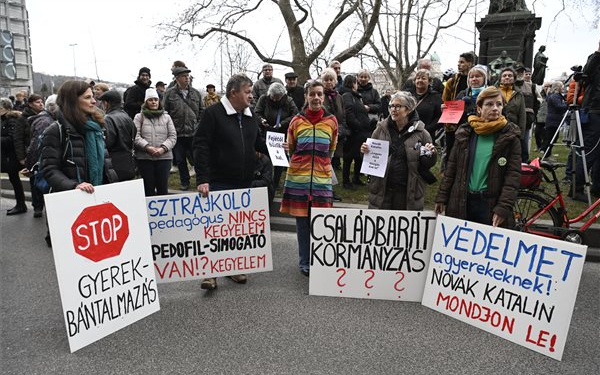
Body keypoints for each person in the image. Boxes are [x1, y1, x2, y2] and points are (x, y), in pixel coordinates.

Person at [194, 73, 268, 290]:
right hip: (219, 181)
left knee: (236, 229)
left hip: (243, 181)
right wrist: (203, 179)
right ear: (233, 93)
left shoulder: (249, 115)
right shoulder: (212, 113)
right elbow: (201, 146)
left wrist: (276, 149)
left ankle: (234, 267)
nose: (251, 96)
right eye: (248, 92)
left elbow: (258, 142)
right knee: (216, 229)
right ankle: (210, 273)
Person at [435, 86, 521, 228]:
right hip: (462, 201)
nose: (495, 108)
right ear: (479, 108)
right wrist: (442, 197)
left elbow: (513, 177)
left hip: (490, 205)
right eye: (489, 104)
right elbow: (452, 169)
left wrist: (503, 208)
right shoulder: (465, 133)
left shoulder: (510, 136)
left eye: (499, 104)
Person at [280, 80, 338, 276]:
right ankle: (305, 261)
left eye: (319, 94)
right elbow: (292, 149)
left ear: (323, 96)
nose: (316, 98)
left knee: (320, 222)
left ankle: (320, 258)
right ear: (305, 96)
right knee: (302, 224)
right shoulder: (296, 121)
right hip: (299, 180)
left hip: (321, 180)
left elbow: (331, 150)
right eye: (312, 94)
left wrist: (321, 167)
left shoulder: (332, 121)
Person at [360, 91, 437, 210]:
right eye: (391, 106)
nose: (393, 109)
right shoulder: (380, 130)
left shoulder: (422, 133)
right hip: (382, 190)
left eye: (397, 106)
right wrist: (365, 151)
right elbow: (369, 159)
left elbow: (427, 164)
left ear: (409, 109)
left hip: (407, 192)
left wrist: (432, 155)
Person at [163, 66, 203, 191]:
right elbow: (164, 112)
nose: (187, 78)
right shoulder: (169, 93)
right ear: (177, 78)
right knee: (180, 160)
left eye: (188, 76)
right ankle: (184, 181)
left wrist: (198, 125)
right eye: (184, 76)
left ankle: (201, 181)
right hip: (177, 133)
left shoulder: (196, 93)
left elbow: (202, 111)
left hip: (193, 132)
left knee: (197, 159)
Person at [254, 82, 298, 191]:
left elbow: (295, 115)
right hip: (266, 132)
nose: (274, 99)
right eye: (272, 97)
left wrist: (282, 123)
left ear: (282, 95)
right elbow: (256, 112)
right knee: (265, 158)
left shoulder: (288, 101)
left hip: (282, 134)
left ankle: (276, 182)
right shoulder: (264, 99)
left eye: (277, 97)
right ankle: (263, 180)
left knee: (279, 160)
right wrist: (261, 120)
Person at [134, 88, 177, 196]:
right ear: (146, 102)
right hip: (145, 158)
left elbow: (172, 136)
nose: (153, 102)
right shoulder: (139, 117)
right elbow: (135, 136)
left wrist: (163, 148)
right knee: (148, 189)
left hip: (164, 158)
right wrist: (147, 147)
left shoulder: (167, 117)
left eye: (155, 100)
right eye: (150, 100)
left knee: (163, 189)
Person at [574, 41, 600, 199]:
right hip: (594, 110)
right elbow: (586, 74)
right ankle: (577, 189)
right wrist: (598, 53)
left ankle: (597, 187)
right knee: (588, 150)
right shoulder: (595, 59)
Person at [25, 94, 58, 218]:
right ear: (53, 107)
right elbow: (35, 145)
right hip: (42, 162)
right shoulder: (45, 122)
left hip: (44, 161)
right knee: (41, 186)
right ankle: (39, 208)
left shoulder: (48, 119)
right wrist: (31, 166)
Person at [442, 51, 475, 170]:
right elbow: (445, 99)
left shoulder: (475, 79)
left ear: (470, 63)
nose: (459, 65)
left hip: (469, 120)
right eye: (458, 62)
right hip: (452, 120)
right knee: (450, 147)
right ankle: (447, 171)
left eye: (462, 62)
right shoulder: (452, 81)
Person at [342, 75, 373, 189]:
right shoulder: (347, 96)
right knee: (348, 157)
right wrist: (358, 126)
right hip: (354, 133)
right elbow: (349, 113)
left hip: (362, 133)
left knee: (359, 156)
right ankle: (346, 181)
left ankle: (356, 177)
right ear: (353, 83)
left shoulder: (356, 96)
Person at [321, 68, 346, 201]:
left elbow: (343, 116)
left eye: (331, 80)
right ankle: (326, 190)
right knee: (325, 163)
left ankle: (330, 190)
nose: (329, 82)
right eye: (326, 80)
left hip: (338, 134)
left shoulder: (339, 97)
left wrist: (342, 130)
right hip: (324, 134)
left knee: (333, 163)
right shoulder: (320, 95)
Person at [100, 90, 137, 181]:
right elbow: (134, 133)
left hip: (114, 164)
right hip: (129, 162)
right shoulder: (127, 116)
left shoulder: (108, 118)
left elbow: (108, 142)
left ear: (106, 103)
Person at [0, 98, 26, 215]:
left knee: (14, 179)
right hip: (7, 155)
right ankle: (20, 204)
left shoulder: (11, 119)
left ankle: (21, 205)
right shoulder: (4, 119)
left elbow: (12, 139)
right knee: (13, 179)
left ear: (5, 108)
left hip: (12, 156)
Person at [497, 67, 527, 161]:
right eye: (504, 75)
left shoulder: (518, 94)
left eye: (510, 76)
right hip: (497, 128)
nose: (507, 77)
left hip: (513, 130)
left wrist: (521, 134)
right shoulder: (494, 91)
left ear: (514, 78)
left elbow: (522, 115)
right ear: (500, 78)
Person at [406, 69, 442, 137]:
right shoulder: (407, 95)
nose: (420, 80)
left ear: (429, 82)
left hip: (426, 135)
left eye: (423, 78)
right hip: (406, 133)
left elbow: (439, 118)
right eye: (418, 78)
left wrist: (425, 130)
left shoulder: (436, 97)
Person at [540, 81, 567, 156]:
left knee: (552, 137)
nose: (563, 88)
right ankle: (546, 152)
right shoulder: (555, 96)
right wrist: (567, 104)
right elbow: (559, 106)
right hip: (553, 120)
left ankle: (546, 152)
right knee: (551, 138)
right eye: (562, 86)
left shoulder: (555, 96)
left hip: (554, 119)